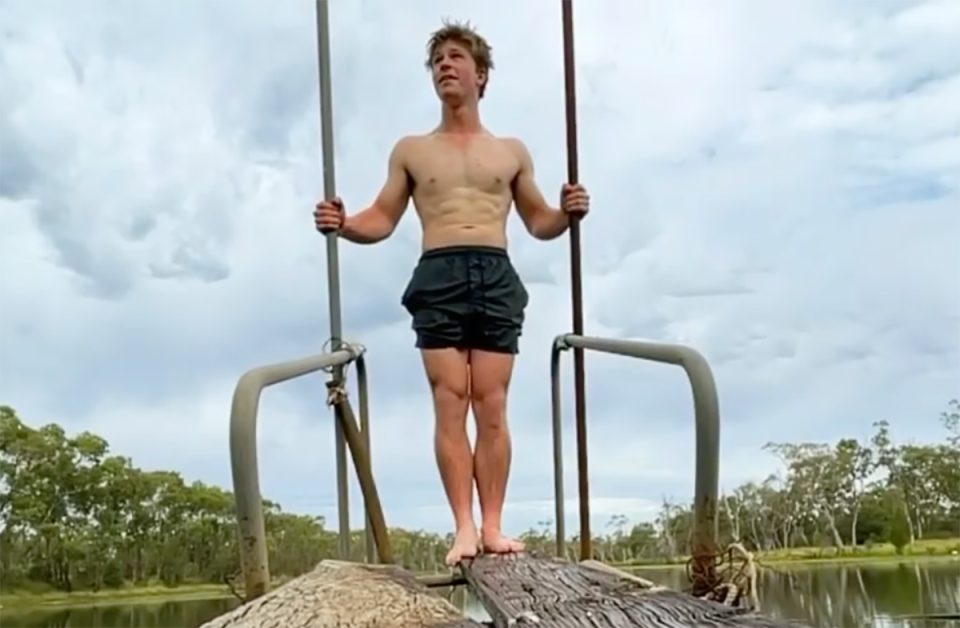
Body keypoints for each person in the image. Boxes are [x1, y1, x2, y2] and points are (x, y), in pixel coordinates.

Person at [313, 19, 590, 566]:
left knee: (492, 404)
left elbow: (539, 221)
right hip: (438, 272)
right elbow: (382, 218)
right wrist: (342, 223)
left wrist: (567, 212)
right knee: (449, 401)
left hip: (494, 272)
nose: (445, 65)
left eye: (456, 57)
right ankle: (463, 527)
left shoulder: (510, 152)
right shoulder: (413, 151)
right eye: (438, 59)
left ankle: (491, 525)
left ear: (480, 75)